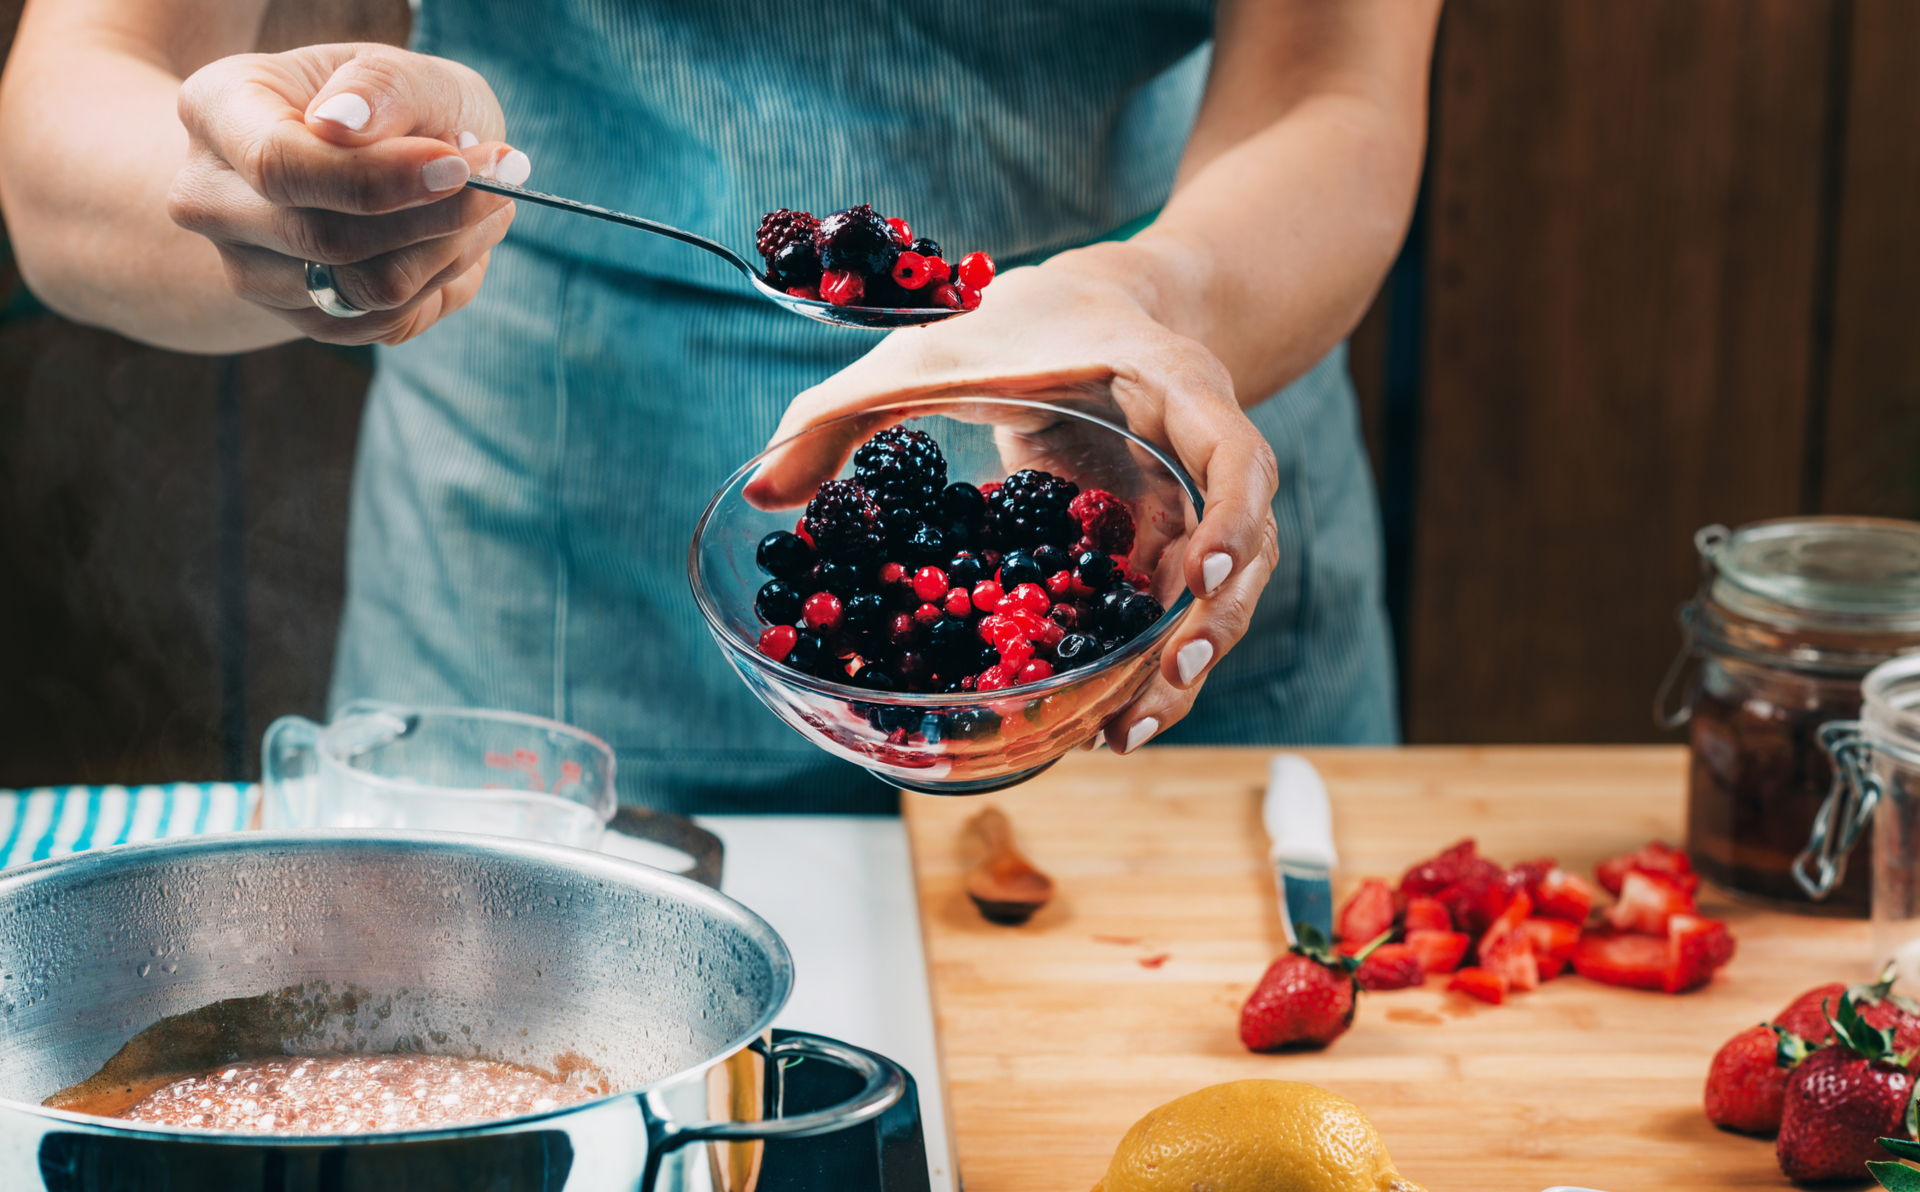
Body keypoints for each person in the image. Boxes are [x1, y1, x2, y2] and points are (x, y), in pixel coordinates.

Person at [0, 0, 1441, 813]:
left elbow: (1337, 88)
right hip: (554, 574)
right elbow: (74, 122)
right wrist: (294, 203)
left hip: (1144, 489)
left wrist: (1157, 301)